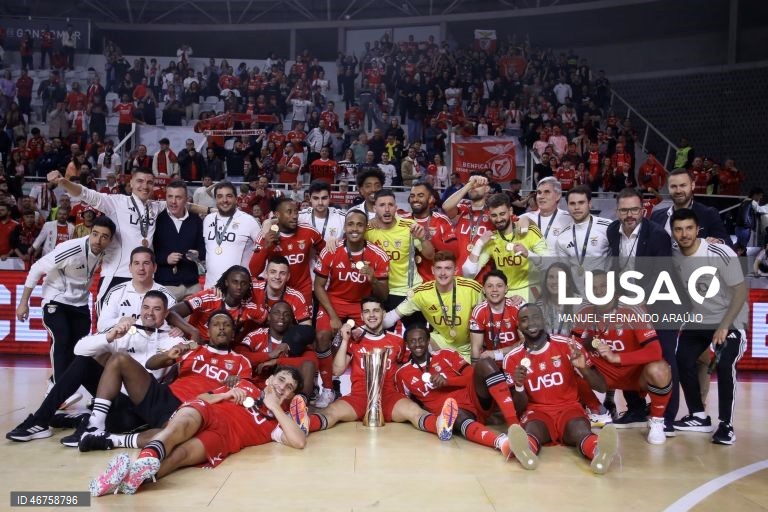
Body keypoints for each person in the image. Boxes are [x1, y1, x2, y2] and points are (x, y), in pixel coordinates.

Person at [89, 366, 307, 497]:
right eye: (281, 380)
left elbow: (299, 442)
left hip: (223, 439)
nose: (283, 387)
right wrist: (226, 395)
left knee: (180, 456)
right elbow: (203, 398)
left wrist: (275, 407)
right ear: (270, 379)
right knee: (180, 426)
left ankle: (127, 480)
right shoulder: (245, 385)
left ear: (290, 395)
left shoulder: (277, 421)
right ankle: (146, 459)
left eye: (289, 387)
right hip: (208, 411)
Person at [6, 292, 184, 445]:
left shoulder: (174, 340)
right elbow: (79, 349)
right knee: (83, 361)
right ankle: (40, 420)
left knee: (122, 424)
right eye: (146, 307)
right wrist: (109, 336)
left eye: (156, 309)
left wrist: (185, 332)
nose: (150, 313)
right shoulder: (127, 330)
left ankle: (84, 421)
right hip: (111, 393)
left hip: (139, 405)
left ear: (166, 313)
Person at [76, 311, 253, 449]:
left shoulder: (241, 361)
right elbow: (150, 364)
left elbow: (244, 396)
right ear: (209, 331)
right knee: (120, 359)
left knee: (172, 436)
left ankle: (110, 440)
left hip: (189, 409)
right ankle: (95, 425)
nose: (221, 328)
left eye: (226, 325)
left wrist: (236, 383)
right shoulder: (192, 349)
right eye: (216, 324)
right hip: (164, 395)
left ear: (232, 334)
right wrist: (168, 355)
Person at [306, 297, 458, 440]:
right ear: (362, 315)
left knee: (414, 411)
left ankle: (441, 426)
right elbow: (337, 370)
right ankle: (304, 425)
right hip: (359, 397)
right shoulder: (354, 340)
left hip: (389, 397)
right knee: (331, 411)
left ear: (384, 313)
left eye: (376, 310)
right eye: (366, 311)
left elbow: (408, 367)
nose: (371, 315)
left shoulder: (397, 341)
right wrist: (345, 340)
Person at [503, 304, 619, 473]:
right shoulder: (512, 359)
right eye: (524, 320)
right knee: (532, 429)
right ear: (519, 326)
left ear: (544, 320)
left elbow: (601, 387)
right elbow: (518, 408)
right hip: (537, 411)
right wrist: (519, 386)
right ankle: (526, 452)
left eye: (536, 317)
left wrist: (583, 368)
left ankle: (599, 453)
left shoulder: (567, 346)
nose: (531, 323)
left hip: (569, 408)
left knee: (579, 428)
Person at [606, 187, 682, 433]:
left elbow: (661, 275)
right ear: (617, 211)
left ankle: (667, 416)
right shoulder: (612, 232)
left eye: (634, 209)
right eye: (624, 210)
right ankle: (636, 408)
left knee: (666, 357)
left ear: (643, 209)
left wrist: (634, 301)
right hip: (629, 305)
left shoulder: (658, 235)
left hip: (661, 303)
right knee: (628, 353)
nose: (629, 214)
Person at [670, 209, 747, 445]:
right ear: (673, 232)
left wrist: (725, 326)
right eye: (678, 229)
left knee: (725, 365)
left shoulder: (718, 251)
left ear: (698, 230)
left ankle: (726, 425)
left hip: (730, 320)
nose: (684, 234)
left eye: (689, 228)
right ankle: (698, 415)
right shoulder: (672, 254)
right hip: (698, 320)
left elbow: (741, 291)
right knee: (681, 358)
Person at [571, 271, 672, 445]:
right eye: (593, 288)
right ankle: (599, 411)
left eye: (603, 286)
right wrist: (585, 344)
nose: (599, 291)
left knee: (660, 369)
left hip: (635, 376)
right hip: (604, 375)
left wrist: (616, 357)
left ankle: (656, 421)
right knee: (568, 362)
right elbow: (573, 344)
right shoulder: (584, 309)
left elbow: (655, 351)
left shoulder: (631, 308)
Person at [16, 216, 116, 390]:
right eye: (95, 234)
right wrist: (23, 302)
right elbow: (36, 268)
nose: (98, 240)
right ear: (90, 232)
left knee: (79, 348)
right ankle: (57, 388)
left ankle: (55, 382)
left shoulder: (107, 250)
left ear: (110, 240)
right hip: (56, 299)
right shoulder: (71, 249)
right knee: (61, 337)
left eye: (104, 236)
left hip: (80, 302)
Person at [394, 324, 520, 457]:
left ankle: (515, 427)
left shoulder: (446, 354)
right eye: (412, 341)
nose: (417, 344)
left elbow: (472, 375)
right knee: (455, 413)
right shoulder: (402, 374)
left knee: (485, 363)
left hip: (475, 398)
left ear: (428, 340)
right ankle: (501, 442)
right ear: (407, 344)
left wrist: (447, 381)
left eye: (421, 339)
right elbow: (408, 405)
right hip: (453, 413)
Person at [47, 168, 168, 302]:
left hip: (144, 279)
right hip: (116, 276)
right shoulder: (116, 202)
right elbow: (86, 194)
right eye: (140, 181)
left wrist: (196, 209)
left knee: (140, 323)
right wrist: (63, 182)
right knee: (108, 323)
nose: (145, 186)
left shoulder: (156, 207)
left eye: (149, 182)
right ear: (131, 183)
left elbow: (181, 205)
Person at [313, 209, 390, 407]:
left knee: (364, 341)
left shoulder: (377, 254)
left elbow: (384, 296)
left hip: (362, 305)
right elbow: (318, 286)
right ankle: (328, 389)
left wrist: (373, 278)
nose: (354, 229)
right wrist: (333, 317)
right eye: (350, 224)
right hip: (334, 302)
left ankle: (364, 390)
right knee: (322, 336)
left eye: (359, 225)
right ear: (345, 227)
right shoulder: (331, 250)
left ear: (365, 228)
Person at [384, 251, 482, 360]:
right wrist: (365, 328)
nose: (443, 273)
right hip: (442, 342)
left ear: (455, 270)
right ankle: (423, 373)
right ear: (433, 270)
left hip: (471, 344)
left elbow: (488, 315)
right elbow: (393, 316)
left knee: (475, 372)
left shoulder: (472, 289)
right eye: (439, 268)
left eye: (448, 268)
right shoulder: (421, 293)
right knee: (422, 344)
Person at [463, 193, 549, 301]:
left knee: (521, 309)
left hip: (532, 288)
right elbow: (468, 274)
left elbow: (550, 265)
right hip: (506, 293)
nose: (498, 219)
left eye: (502, 214)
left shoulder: (529, 232)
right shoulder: (491, 239)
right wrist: (479, 243)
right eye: (494, 215)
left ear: (510, 211)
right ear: (489, 215)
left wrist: (528, 254)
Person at [365, 189, 434, 321]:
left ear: (396, 208)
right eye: (382, 205)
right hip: (381, 290)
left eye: (390, 205)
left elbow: (430, 255)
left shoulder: (409, 226)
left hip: (409, 290)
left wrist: (423, 239)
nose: (386, 209)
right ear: (374, 208)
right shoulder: (367, 229)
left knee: (415, 335)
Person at [168, 265, 266, 344]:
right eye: (234, 282)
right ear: (227, 282)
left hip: (224, 351)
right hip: (195, 345)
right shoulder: (209, 297)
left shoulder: (250, 307)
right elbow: (172, 312)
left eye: (244, 283)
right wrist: (193, 331)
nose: (239, 287)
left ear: (249, 285)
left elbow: (271, 322)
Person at [250, 196, 325, 300]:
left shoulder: (309, 232)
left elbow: (326, 254)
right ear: (277, 215)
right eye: (289, 212)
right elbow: (254, 271)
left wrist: (332, 242)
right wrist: (265, 247)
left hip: (303, 292)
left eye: (296, 212)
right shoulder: (267, 235)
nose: (294, 216)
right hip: (276, 292)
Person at [237, 302, 318, 398]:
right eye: (277, 313)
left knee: (307, 366)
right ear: (269, 317)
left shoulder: (298, 338)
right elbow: (239, 356)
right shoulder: (257, 335)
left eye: (286, 314)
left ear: (291, 319)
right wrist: (269, 355)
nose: (281, 317)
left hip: (286, 391)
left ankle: (299, 404)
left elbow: (312, 364)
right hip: (258, 388)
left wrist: (277, 361)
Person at [97, 247, 176, 331]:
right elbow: (102, 326)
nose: (141, 268)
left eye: (146, 263)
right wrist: (120, 320)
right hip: (122, 342)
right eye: (136, 263)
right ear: (130, 268)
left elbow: (174, 328)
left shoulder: (167, 295)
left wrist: (175, 329)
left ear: (155, 267)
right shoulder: (116, 292)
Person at [153, 181, 205, 301]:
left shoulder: (196, 220)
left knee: (194, 320)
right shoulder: (157, 220)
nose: (173, 201)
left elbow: (204, 249)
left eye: (178, 197)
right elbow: (149, 252)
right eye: (170, 196)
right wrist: (166, 259)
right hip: (165, 285)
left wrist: (197, 254)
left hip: (192, 285)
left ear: (186, 199)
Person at [203, 181, 262, 289]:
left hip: (238, 290)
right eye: (220, 196)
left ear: (236, 198)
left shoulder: (249, 221)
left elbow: (262, 249)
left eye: (229, 196)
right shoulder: (208, 220)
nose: (224, 200)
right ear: (215, 199)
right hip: (210, 288)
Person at [553, 186, 612, 294]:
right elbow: (565, 271)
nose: (576, 207)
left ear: (589, 204)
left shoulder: (607, 227)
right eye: (572, 203)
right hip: (578, 296)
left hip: (604, 293)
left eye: (581, 203)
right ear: (567, 206)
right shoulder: (562, 237)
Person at [650, 168, 730, 244]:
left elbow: (727, 243)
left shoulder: (708, 214)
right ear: (668, 188)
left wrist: (719, 242)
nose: (678, 191)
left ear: (692, 186)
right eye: (673, 186)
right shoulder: (656, 216)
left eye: (683, 185)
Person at [400, 182, 457, 281]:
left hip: (432, 281)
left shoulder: (441, 220)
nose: (415, 199)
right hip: (405, 283)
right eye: (412, 196)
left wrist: (430, 240)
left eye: (420, 195)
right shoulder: (402, 220)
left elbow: (454, 253)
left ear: (430, 199)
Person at [469, 270, 524, 363]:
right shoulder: (479, 311)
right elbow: (476, 348)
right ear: (484, 290)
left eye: (499, 286)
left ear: (506, 289)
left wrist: (496, 353)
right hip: (493, 364)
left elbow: (525, 342)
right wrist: (476, 374)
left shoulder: (516, 307)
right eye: (489, 286)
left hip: (518, 359)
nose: (494, 289)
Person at [521, 176, 573, 249]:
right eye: (539, 192)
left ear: (558, 196)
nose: (541, 196)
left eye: (547, 192)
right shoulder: (525, 218)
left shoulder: (569, 219)